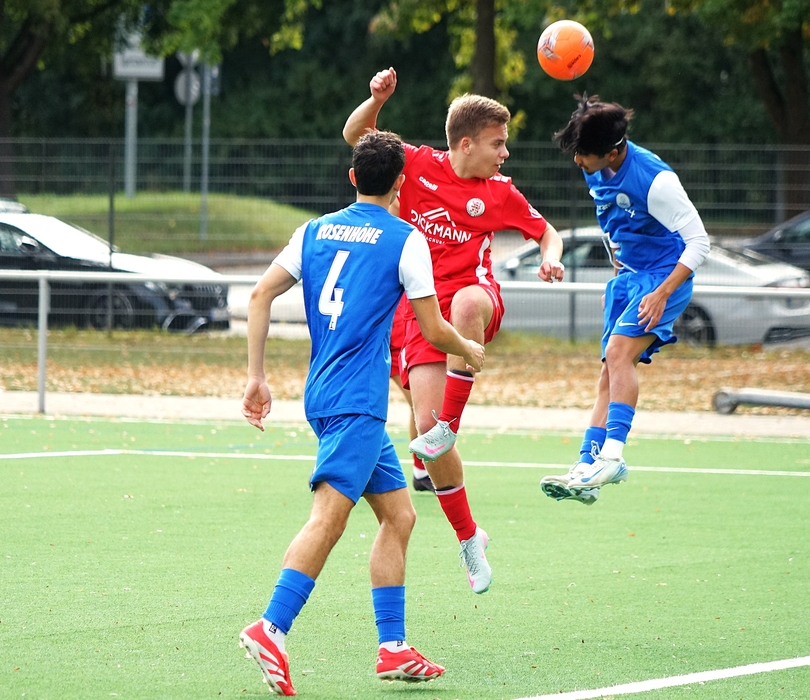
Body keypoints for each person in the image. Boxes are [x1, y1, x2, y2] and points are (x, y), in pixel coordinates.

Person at [238, 130, 485, 696]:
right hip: (356, 403)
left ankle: (392, 647)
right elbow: (432, 329)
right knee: (329, 517)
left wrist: (256, 377)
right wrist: (467, 349)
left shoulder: (313, 230)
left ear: (353, 177)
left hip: (327, 394)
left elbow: (258, 297)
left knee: (399, 516)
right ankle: (271, 627)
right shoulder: (407, 240)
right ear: (402, 182)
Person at [343, 67, 565, 594]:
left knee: (465, 305)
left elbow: (546, 231)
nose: (504, 153)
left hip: (473, 297)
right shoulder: (417, 164)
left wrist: (550, 259)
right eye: (497, 143)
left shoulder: (500, 192)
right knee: (426, 434)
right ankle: (470, 537)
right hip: (420, 314)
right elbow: (356, 136)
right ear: (465, 144)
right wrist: (374, 99)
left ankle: (449, 424)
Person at [539, 94, 710, 505]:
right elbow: (618, 223)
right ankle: (587, 465)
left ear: (613, 152)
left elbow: (699, 243)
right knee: (609, 373)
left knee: (617, 355)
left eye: (584, 154)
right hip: (630, 280)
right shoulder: (593, 165)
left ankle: (613, 456)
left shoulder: (655, 180)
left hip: (664, 279)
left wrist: (660, 293)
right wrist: (621, 282)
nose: (577, 161)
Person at [389, 293, 435, 492]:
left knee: (419, 406)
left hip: (402, 338)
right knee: (359, 407)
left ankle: (421, 472)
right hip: (379, 338)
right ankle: (330, 463)